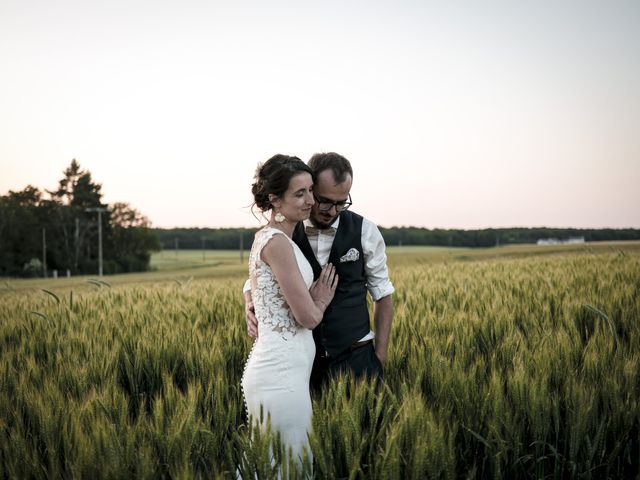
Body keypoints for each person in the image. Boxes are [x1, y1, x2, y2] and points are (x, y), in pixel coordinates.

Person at [245, 152, 394, 393]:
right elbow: (259, 278)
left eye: (341, 202)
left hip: (357, 358)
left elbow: (383, 294)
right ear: (311, 189)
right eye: (324, 200)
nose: (332, 211)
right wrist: (250, 303)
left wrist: (380, 357)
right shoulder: (283, 233)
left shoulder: (365, 231)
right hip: (305, 364)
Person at [241, 154, 338, 471]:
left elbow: (259, 282)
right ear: (274, 199)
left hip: (285, 373)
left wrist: (249, 296)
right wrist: (320, 299)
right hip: (279, 377)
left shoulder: (272, 237)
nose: (311, 200)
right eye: (300, 193)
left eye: (311, 190)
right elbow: (307, 318)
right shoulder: (278, 243)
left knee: (282, 464)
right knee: (287, 466)